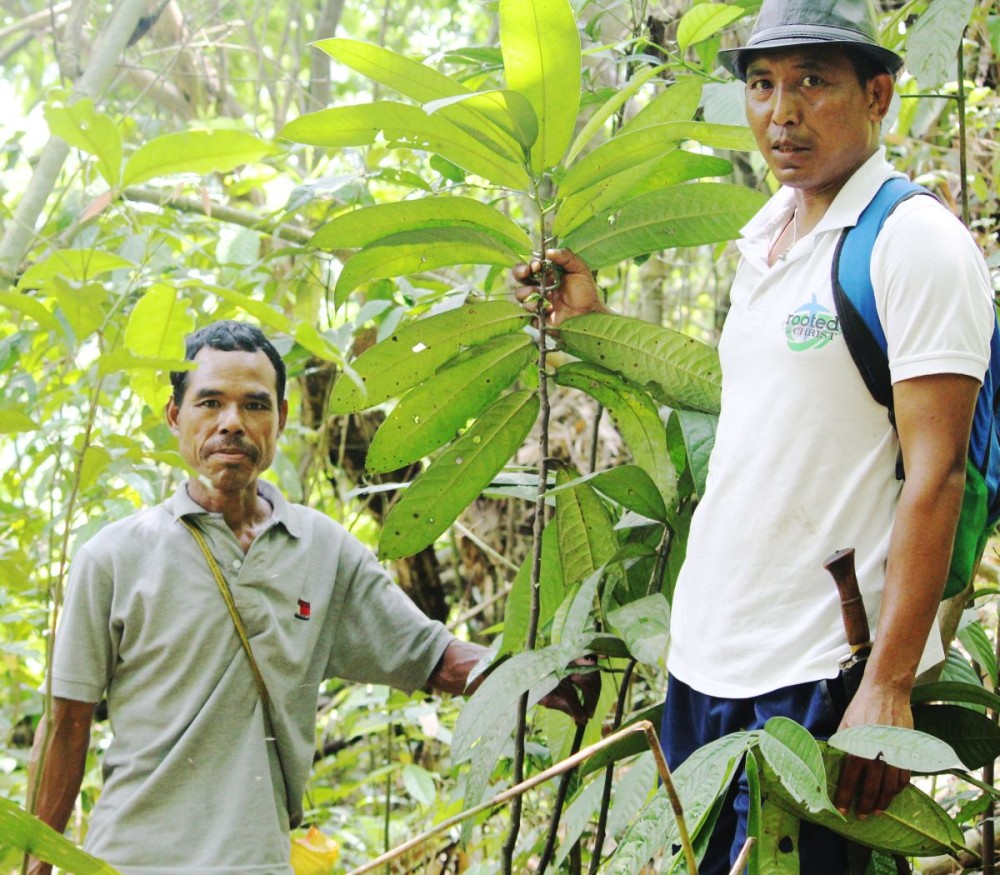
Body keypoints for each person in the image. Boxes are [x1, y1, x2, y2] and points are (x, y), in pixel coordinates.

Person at [515, 0, 994, 871]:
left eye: (814, 81)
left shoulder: (913, 242)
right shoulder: (766, 239)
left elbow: (940, 475)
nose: (783, 112)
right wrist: (598, 326)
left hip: (817, 669)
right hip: (709, 659)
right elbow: (765, 426)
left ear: (879, 92)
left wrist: (886, 681)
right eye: (765, 84)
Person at [29, 321, 598, 875]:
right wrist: (36, 864)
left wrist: (534, 673)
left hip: (259, 859)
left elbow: (433, 659)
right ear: (175, 416)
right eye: (210, 403)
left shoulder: (324, 550)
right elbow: (66, 723)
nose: (233, 423)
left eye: (255, 405)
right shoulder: (114, 556)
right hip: (128, 859)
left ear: (280, 420)